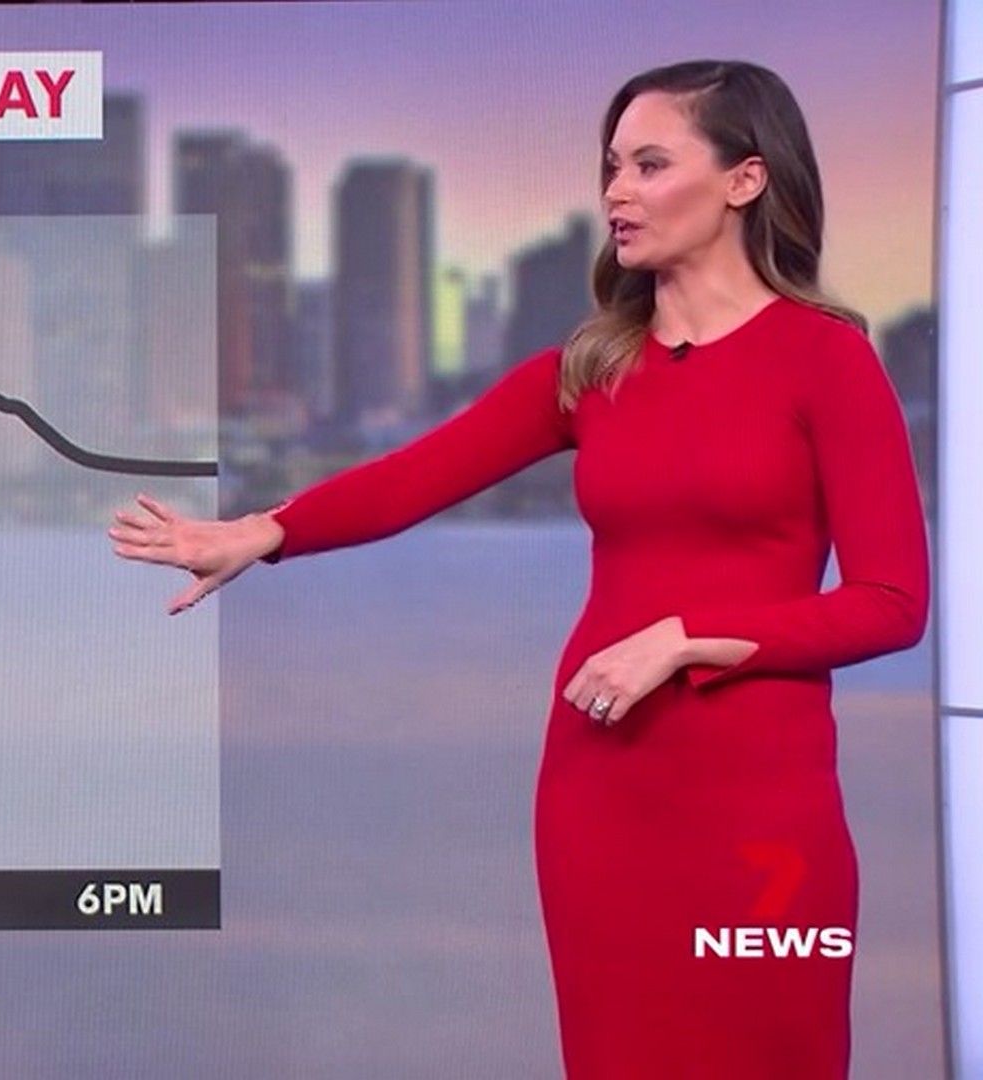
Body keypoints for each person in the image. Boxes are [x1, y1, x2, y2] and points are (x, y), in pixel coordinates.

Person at [110, 59, 929, 1078]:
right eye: (611, 166)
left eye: (650, 164)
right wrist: (261, 532)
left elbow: (892, 604)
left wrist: (683, 641)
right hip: (603, 792)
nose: (617, 191)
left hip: (763, 809)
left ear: (744, 179)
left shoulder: (826, 360)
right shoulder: (590, 371)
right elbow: (411, 478)